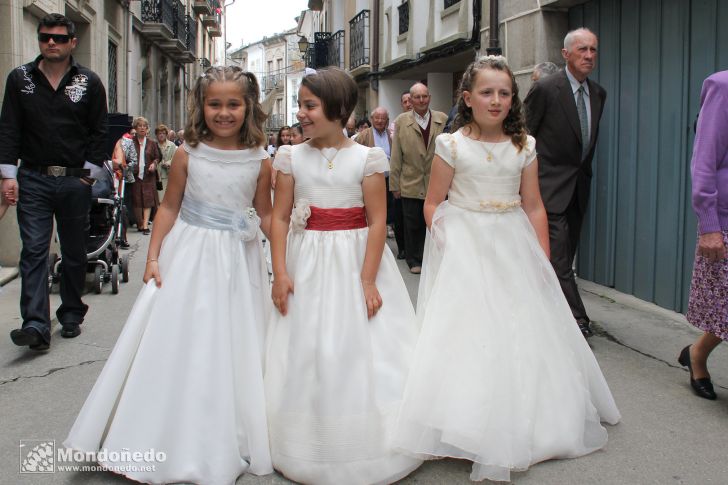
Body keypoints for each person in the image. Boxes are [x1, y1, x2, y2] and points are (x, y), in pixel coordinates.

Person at [393, 55, 620, 482]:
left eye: (503, 93)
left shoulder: (524, 146)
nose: (495, 100)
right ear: (467, 98)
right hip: (467, 241)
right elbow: (432, 203)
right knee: (471, 327)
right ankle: (466, 418)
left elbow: (534, 204)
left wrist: (543, 259)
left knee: (519, 323)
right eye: (486, 92)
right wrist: (448, 240)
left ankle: (529, 415)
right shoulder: (452, 145)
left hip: (512, 240)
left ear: (512, 99)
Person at [64, 66, 274, 483]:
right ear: (202, 106)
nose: (224, 112)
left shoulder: (260, 159)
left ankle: (225, 428)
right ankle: (161, 429)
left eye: (233, 104)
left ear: (248, 106)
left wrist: (285, 260)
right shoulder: (188, 153)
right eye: (215, 104)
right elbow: (169, 207)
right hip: (191, 252)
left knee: (231, 341)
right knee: (185, 336)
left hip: (238, 258)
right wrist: (154, 256)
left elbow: (266, 213)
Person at [265, 67, 422, 485]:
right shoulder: (289, 157)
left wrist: (368, 279)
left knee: (360, 346)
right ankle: (303, 438)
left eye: (309, 105)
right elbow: (280, 218)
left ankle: (369, 435)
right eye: (300, 105)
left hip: (356, 261)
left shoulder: (367, 158)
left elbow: (376, 222)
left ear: (338, 109)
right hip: (307, 263)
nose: (301, 113)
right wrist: (280, 273)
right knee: (307, 345)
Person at [0, 13, 107, 350]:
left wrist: (87, 176)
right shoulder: (20, 80)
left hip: (75, 180)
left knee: (74, 251)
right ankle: (35, 324)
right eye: (46, 37)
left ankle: (72, 312)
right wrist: (8, 176)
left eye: (59, 38)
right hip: (33, 178)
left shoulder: (89, 82)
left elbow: (100, 132)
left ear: (72, 42)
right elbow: (9, 129)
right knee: (33, 250)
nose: (51, 43)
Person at [524, 28, 605, 338]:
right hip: (546, 188)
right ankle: (577, 319)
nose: (588, 56)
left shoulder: (598, 94)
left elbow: (586, 145)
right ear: (566, 54)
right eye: (582, 49)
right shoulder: (546, 88)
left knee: (563, 256)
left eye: (593, 50)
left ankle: (543, 308)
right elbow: (524, 136)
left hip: (578, 189)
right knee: (558, 258)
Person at [678, 70, 728, 401]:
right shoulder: (723, 86)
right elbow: (704, 161)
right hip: (724, 221)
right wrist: (710, 225)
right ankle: (697, 355)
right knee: (723, 306)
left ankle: (695, 351)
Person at [389, 82, 448, 273]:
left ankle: (434, 258)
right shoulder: (401, 121)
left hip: (436, 181)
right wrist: (395, 184)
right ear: (411, 100)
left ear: (429, 98)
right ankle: (414, 260)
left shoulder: (443, 119)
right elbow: (396, 155)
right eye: (417, 97)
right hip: (410, 181)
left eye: (425, 96)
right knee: (412, 223)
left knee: (436, 223)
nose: (421, 100)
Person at [355, 107, 399, 242]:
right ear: (372, 119)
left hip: (388, 178)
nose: (380, 120)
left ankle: (387, 227)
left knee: (390, 205)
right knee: (372, 206)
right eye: (377, 118)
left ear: (387, 120)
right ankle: (372, 229)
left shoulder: (392, 135)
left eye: (383, 118)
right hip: (371, 179)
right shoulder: (364, 135)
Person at [125, 117, 161, 234]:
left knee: (148, 200)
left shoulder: (152, 143)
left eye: (144, 126)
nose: (142, 128)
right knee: (137, 200)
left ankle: (145, 225)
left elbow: (157, 157)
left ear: (147, 129)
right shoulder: (130, 142)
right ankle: (140, 223)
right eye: (139, 126)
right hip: (135, 176)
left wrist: (154, 164)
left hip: (148, 176)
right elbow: (126, 156)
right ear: (135, 128)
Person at [155, 123, 177, 195]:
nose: (161, 135)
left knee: (167, 196)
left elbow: (175, 158)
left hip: (168, 174)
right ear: (156, 135)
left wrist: (169, 163)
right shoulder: (153, 144)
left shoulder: (172, 145)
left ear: (166, 134)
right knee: (158, 198)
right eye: (159, 133)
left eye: (163, 133)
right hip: (157, 175)